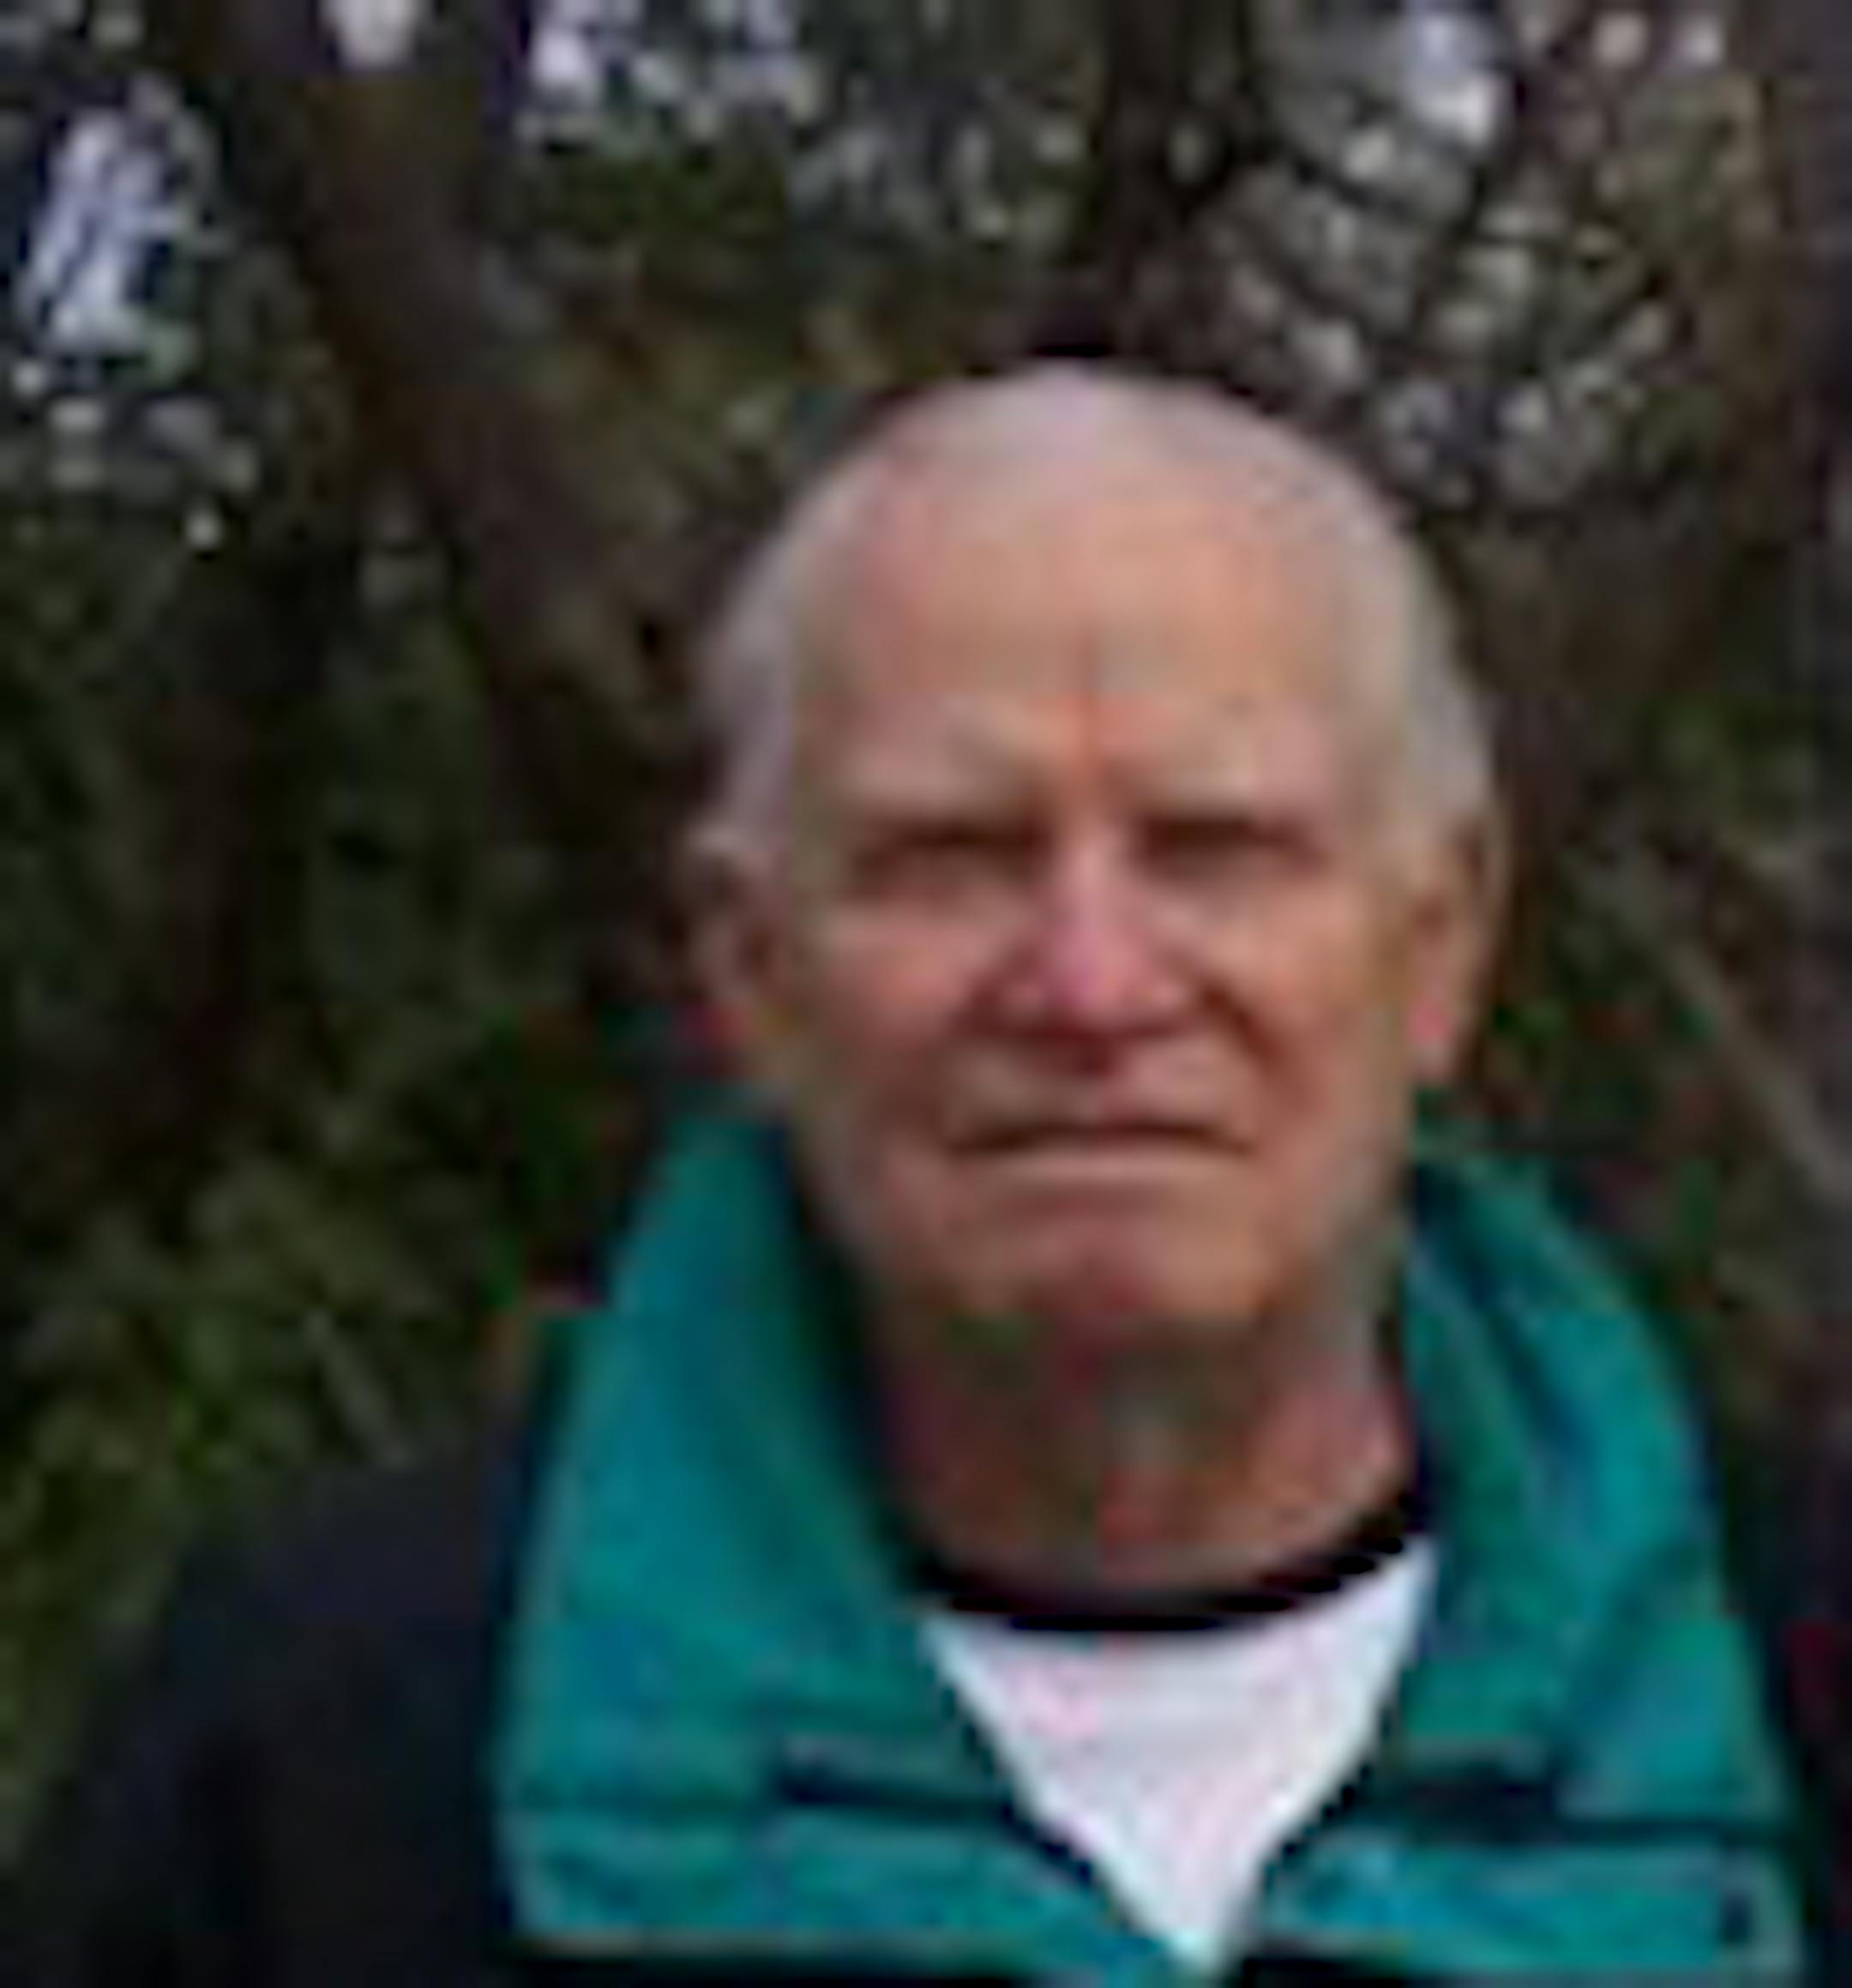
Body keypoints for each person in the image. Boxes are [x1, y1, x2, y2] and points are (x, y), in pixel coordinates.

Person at [10, 365, 1831, 1983]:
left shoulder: (1795, 1701)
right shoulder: (328, 1772)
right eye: (951, 856)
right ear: (750, 972)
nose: (1093, 986)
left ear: (1440, 947)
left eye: (1215, 849)